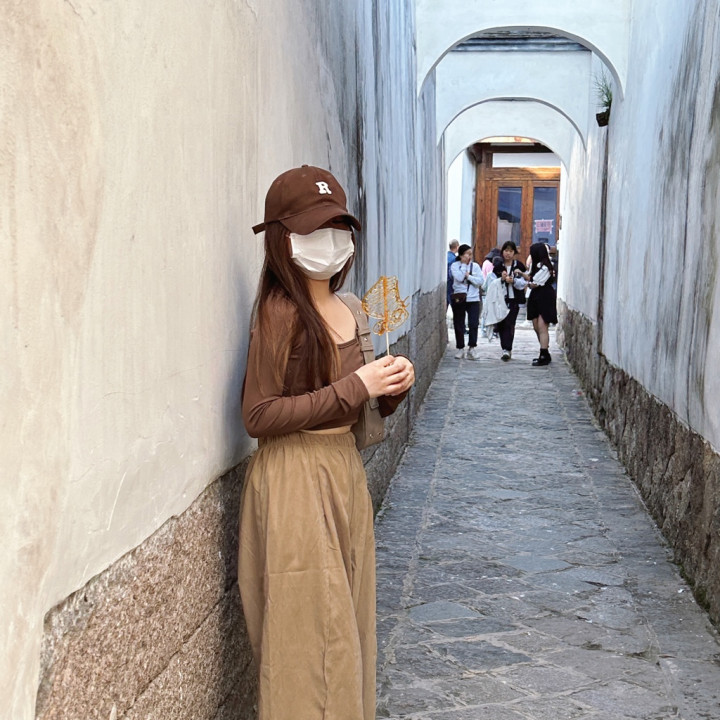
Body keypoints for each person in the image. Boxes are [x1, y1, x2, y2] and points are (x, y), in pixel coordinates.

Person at [239, 165, 415, 720]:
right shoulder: (278, 314)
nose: (330, 241)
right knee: (305, 634)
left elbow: (356, 405)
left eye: (337, 228)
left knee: (348, 623)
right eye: (313, 229)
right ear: (282, 238)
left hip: (343, 472)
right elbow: (258, 415)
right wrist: (355, 386)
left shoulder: (355, 309)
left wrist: (389, 388)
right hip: (293, 476)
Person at [524, 241, 558, 366]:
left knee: (542, 325)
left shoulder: (545, 267)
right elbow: (531, 279)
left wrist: (528, 283)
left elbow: (535, 283)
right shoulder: (536, 265)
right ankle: (544, 350)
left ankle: (543, 354)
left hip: (545, 296)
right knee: (536, 326)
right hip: (535, 296)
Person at [494, 240, 527, 361]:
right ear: (502, 252)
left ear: (514, 252)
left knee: (510, 323)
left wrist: (513, 281)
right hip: (500, 300)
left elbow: (524, 283)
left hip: (514, 300)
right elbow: (491, 282)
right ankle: (504, 347)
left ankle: (507, 349)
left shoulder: (519, 266)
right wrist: (501, 280)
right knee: (501, 324)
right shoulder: (498, 266)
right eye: (506, 250)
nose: (508, 253)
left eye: (511, 251)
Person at [449, 244, 483, 359]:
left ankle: (472, 347)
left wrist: (469, 277)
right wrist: (463, 265)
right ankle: (460, 348)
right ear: (461, 255)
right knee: (459, 323)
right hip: (459, 297)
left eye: (470, 254)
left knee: (473, 323)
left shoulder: (475, 266)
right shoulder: (455, 266)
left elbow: (480, 281)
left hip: (473, 298)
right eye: (467, 254)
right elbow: (459, 278)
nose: (469, 256)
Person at [446, 239, 459, 307]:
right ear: (457, 247)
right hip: (451, 283)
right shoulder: (454, 259)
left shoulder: (445, 256)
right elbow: (452, 274)